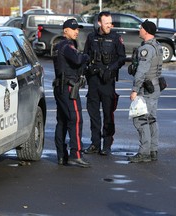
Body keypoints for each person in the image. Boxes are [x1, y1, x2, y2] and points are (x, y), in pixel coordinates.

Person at [83, 11, 126, 156]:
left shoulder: (116, 38)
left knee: (108, 113)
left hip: (108, 81)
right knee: (93, 114)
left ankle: (107, 144)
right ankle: (95, 143)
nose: (109, 26)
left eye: (110, 23)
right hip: (94, 81)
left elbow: (122, 58)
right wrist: (87, 69)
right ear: (99, 23)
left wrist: (110, 69)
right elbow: (86, 56)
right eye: (106, 23)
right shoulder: (91, 37)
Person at [52, 18, 90, 167]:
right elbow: (78, 59)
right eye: (73, 29)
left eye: (77, 29)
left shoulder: (59, 45)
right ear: (65, 30)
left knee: (62, 121)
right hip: (68, 88)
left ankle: (62, 155)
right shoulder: (67, 46)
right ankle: (76, 154)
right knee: (76, 119)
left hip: (61, 87)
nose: (76, 32)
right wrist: (87, 56)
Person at [128, 20, 163, 163]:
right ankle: (153, 150)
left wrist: (135, 90)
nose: (139, 30)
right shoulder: (158, 45)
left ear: (146, 31)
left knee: (140, 119)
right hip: (155, 86)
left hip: (146, 88)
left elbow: (142, 71)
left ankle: (144, 153)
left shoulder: (147, 49)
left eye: (141, 28)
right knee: (151, 119)